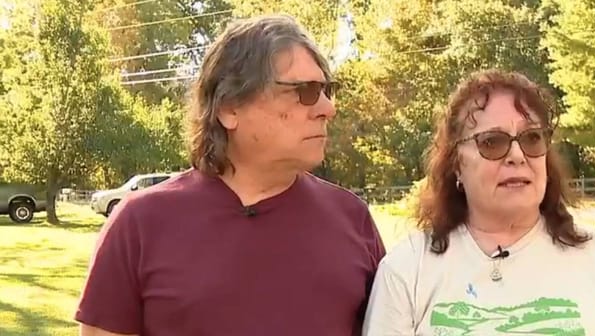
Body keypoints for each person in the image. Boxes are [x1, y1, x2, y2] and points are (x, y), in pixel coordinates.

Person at [76, 14, 385, 336]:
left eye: (326, 90)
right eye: (304, 91)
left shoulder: (352, 218)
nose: (327, 109)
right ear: (229, 108)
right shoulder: (139, 223)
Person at [362, 69, 595, 336]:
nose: (517, 155)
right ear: (456, 165)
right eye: (492, 142)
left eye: (532, 138)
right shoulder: (407, 269)